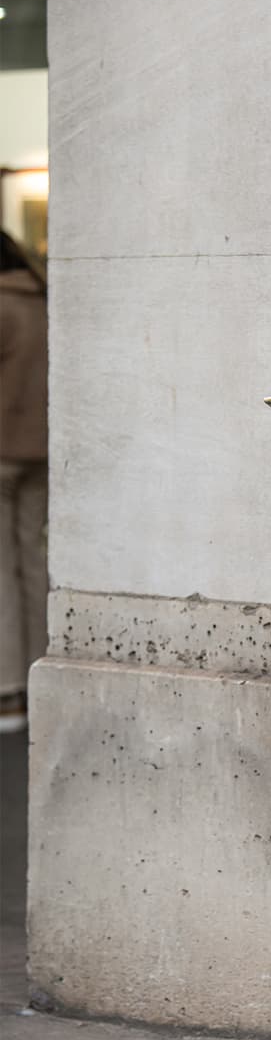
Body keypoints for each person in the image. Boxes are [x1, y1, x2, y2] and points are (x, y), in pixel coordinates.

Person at [0, 230, 48, 732]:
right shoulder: (45, 298)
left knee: (3, 570)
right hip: (41, 450)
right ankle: (37, 675)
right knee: (33, 563)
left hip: (2, 454)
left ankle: (9, 691)